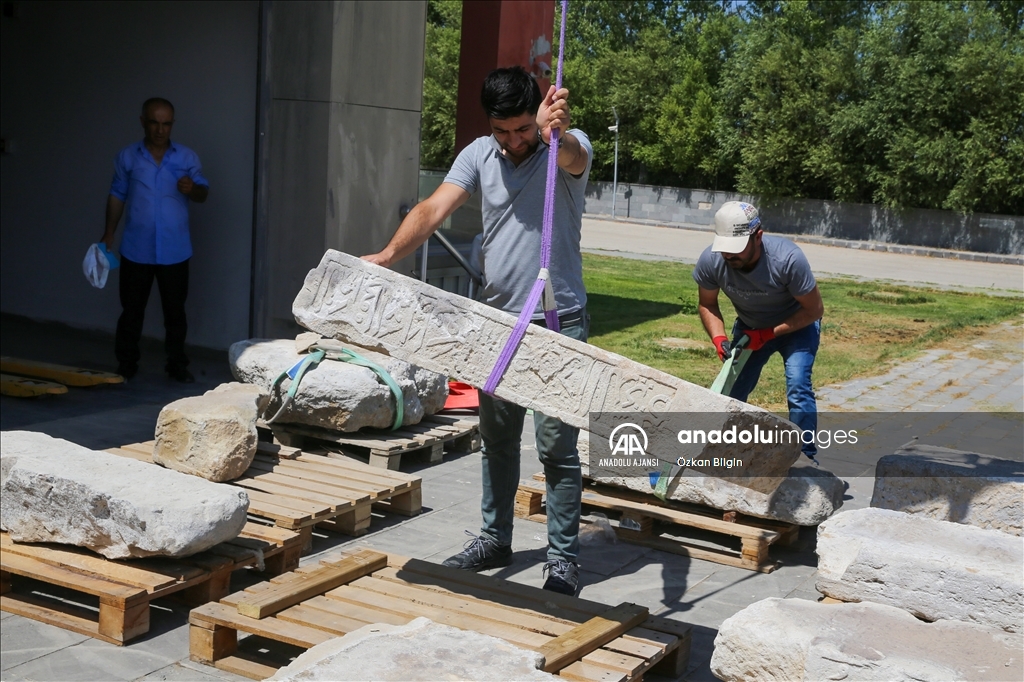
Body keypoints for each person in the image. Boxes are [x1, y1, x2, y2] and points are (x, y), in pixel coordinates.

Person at [363, 66, 593, 595]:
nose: (513, 142)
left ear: (539, 117)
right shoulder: (478, 154)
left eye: (522, 130)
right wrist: (388, 255)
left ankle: (563, 560)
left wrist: (554, 133)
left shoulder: (565, 147)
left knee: (557, 448)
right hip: (496, 324)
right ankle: (495, 538)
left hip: (557, 322)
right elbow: (433, 207)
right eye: (502, 131)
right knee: (497, 440)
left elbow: (573, 156)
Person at [694, 201, 825, 462]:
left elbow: (814, 310)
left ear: (758, 237)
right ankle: (723, 450)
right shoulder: (712, 260)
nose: (730, 257)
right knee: (733, 390)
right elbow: (707, 303)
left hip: (797, 325)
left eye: (736, 250)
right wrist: (719, 338)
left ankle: (804, 456)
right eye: (725, 250)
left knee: (798, 386)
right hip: (750, 327)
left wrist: (767, 334)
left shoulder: (788, 259)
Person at [102, 98, 209, 383]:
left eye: (166, 124)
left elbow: (203, 193)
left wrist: (192, 188)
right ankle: (126, 364)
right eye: (154, 123)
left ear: (172, 124)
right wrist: (109, 232)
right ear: (143, 122)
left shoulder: (186, 158)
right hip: (137, 248)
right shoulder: (128, 157)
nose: (160, 130)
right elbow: (117, 195)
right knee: (131, 311)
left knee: (175, 313)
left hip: (175, 250)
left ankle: (176, 365)